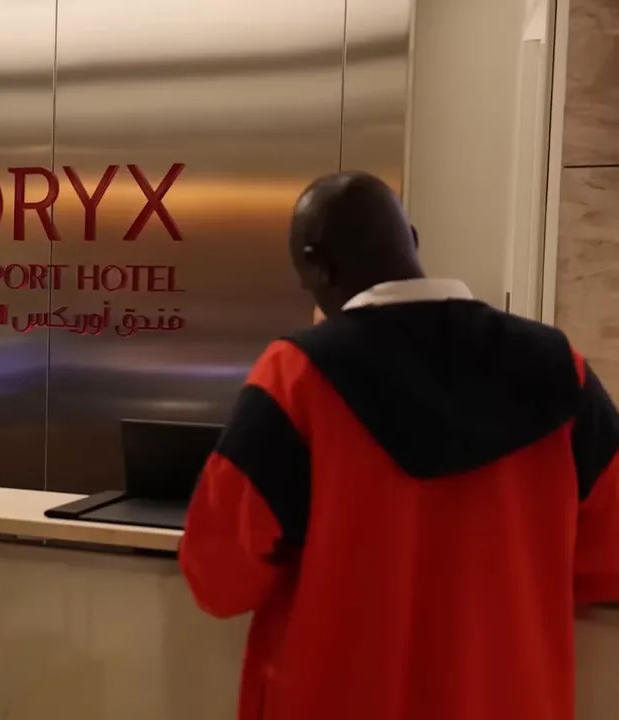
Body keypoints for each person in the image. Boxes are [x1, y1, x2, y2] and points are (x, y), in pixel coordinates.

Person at [178, 171, 619, 720]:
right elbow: (607, 559)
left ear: (315, 265)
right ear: (411, 237)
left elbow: (218, 575)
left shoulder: (298, 377)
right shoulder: (561, 368)